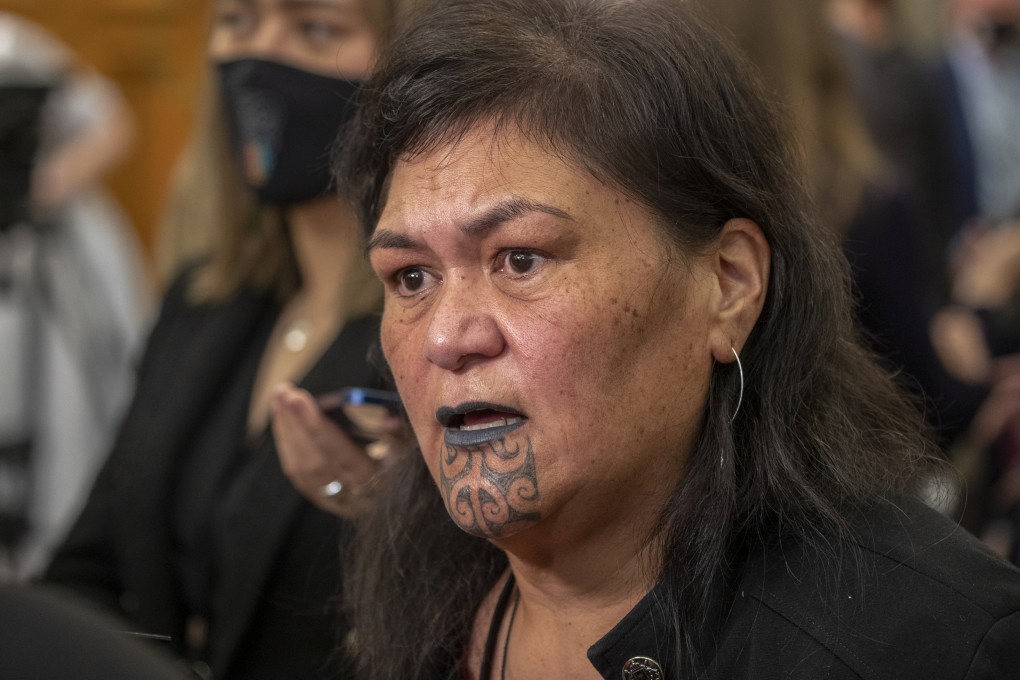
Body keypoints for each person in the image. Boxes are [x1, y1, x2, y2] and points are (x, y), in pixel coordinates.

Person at [302, 0, 1020, 677]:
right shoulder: (413, 590)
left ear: (729, 285)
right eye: (411, 278)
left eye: (520, 259)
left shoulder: (935, 642)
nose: (447, 337)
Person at [42, 1, 404, 678]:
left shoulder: (430, 335)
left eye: (315, 28)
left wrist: (401, 523)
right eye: (238, 22)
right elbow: (91, 561)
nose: (261, 55)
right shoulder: (205, 302)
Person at [0, 12, 151, 580]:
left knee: (66, 424)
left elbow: (112, 124)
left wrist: (38, 189)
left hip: (41, 272)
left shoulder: (11, 43)